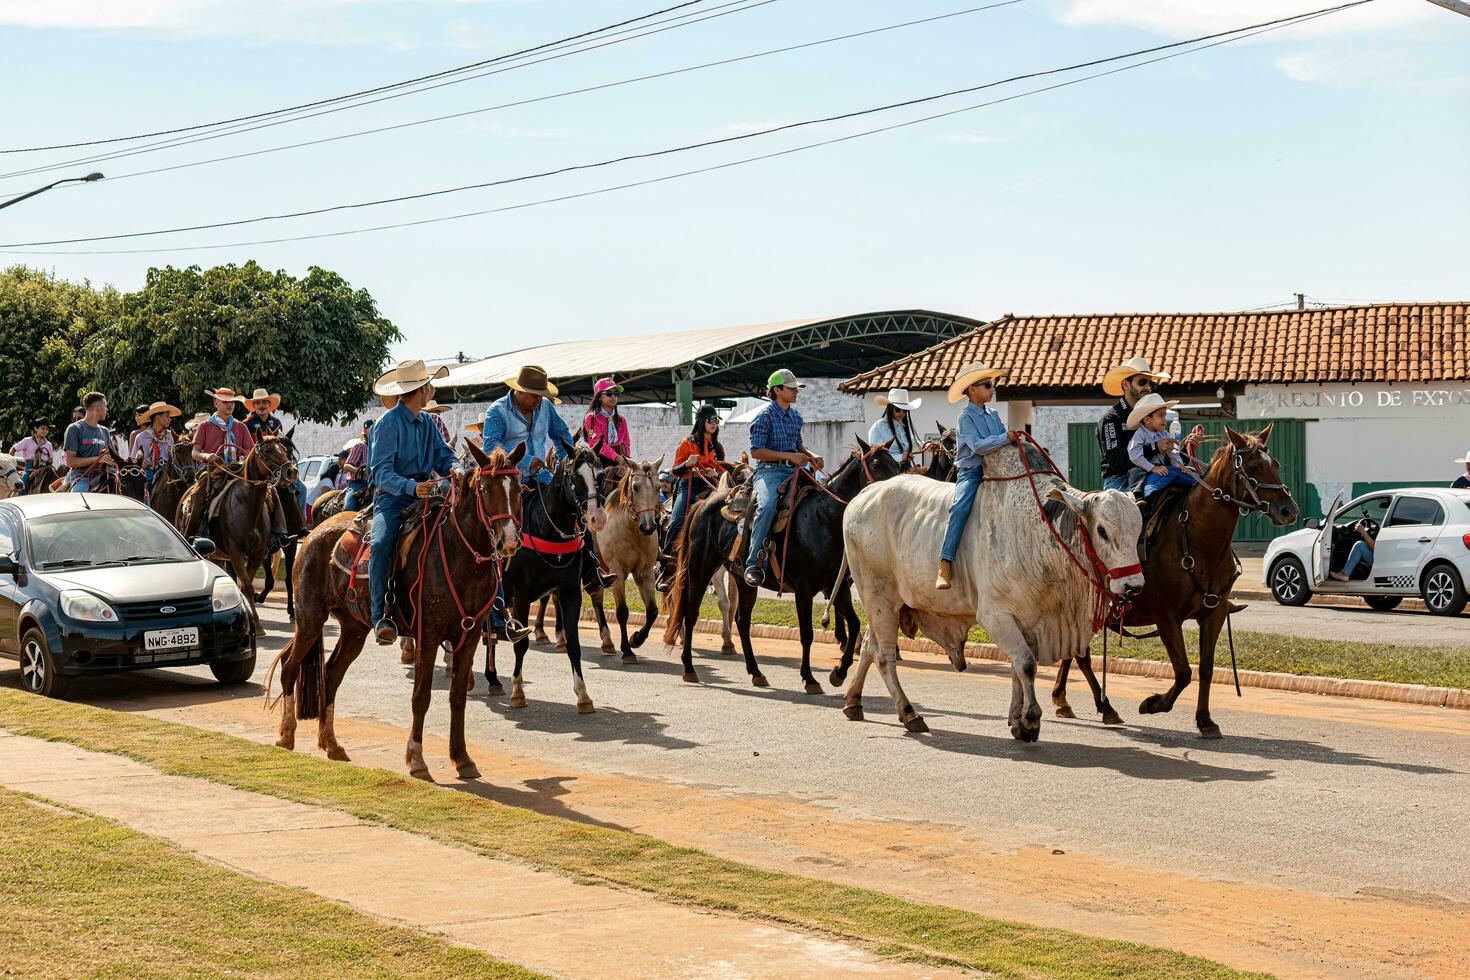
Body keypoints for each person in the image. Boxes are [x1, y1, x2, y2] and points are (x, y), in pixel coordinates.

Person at [483, 364, 614, 592]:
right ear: (520, 392)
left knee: (574, 506)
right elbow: (491, 445)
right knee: (498, 522)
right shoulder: (498, 411)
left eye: (542, 396)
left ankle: (591, 569)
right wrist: (524, 461)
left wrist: (569, 464)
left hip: (543, 476)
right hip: (508, 482)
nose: (539, 400)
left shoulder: (544, 408)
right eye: (535, 396)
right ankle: (493, 580)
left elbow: (561, 433)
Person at [936, 363, 1016, 590]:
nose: (992, 389)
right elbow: (979, 447)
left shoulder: (994, 415)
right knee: (960, 507)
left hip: (998, 469)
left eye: (993, 385)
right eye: (987, 385)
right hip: (972, 471)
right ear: (972, 390)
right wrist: (1006, 438)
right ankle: (945, 561)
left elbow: (1002, 442)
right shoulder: (965, 418)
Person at [744, 368, 824, 587]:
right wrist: (791, 456)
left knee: (823, 497)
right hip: (769, 471)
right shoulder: (764, 416)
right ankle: (753, 563)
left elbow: (797, 444)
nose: (796, 392)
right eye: (791, 389)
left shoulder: (796, 416)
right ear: (777, 390)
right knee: (768, 506)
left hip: (794, 471)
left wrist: (811, 455)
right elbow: (756, 451)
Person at [185, 386, 285, 548]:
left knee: (270, 490)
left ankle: (278, 534)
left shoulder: (240, 427)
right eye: (225, 402)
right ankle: (191, 538)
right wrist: (207, 456)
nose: (229, 405)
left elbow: (251, 452)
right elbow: (195, 453)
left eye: (231, 402)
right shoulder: (205, 426)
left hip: (239, 471)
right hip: (214, 471)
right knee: (198, 495)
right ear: (216, 403)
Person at [660, 405, 724, 584]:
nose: (714, 424)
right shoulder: (686, 443)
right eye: (711, 420)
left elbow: (720, 468)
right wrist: (687, 464)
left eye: (716, 420)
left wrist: (715, 473)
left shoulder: (716, 446)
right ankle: (666, 564)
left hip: (710, 486)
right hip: (688, 485)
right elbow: (675, 470)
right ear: (702, 421)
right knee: (676, 520)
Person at [1097, 357, 1172, 492]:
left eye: (1150, 383)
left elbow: (1166, 457)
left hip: (1152, 473)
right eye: (1142, 382)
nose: (1148, 388)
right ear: (1126, 385)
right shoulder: (1111, 419)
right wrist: (1155, 448)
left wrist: (1186, 448)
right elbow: (1116, 462)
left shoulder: (1153, 416)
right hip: (1120, 481)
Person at [244, 387, 307, 519]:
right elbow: (246, 449)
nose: (262, 405)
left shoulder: (276, 422)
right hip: (257, 468)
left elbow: (281, 446)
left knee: (301, 488)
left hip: (276, 466)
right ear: (254, 406)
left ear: (269, 405)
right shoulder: (247, 424)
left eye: (264, 402)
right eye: (258, 403)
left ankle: (301, 521)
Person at [1127, 393, 1198, 500]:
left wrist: (1180, 466)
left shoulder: (1164, 434)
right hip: (1143, 472)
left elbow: (1173, 452)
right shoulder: (1139, 435)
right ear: (1147, 420)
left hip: (1163, 468)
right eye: (1161, 416)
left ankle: (1195, 485)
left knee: (1183, 473)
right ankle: (1142, 499)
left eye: (1164, 415)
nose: (1165, 419)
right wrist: (1153, 468)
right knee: (1165, 475)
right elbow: (1135, 456)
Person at [63, 392, 113, 492]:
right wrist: (97, 459)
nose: (107, 409)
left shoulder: (105, 431)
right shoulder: (74, 429)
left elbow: (111, 457)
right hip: (83, 479)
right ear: (99, 409)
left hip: (105, 477)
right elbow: (71, 461)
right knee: (81, 505)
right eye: (105, 406)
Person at [867, 388, 922, 470]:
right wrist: (901, 457)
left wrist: (926, 445)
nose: (902, 413)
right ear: (890, 409)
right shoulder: (878, 427)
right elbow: (876, 455)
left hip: (906, 467)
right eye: (898, 409)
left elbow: (912, 444)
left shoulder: (902, 426)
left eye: (905, 410)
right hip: (887, 471)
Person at [583, 377, 631, 468]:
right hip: (599, 461)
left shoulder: (621, 420)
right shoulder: (591, 418)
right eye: (609, 393)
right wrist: (617, 458)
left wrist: (625, 459)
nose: (613, 396)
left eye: (616, 394)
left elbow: (626, 443)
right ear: (599, 397)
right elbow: (597, 443)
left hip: (621, 460)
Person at [133, 401, 181, 487]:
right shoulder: (141, 437)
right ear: (158, 417)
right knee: (144, 489)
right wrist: (140, 462)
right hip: (149, 472)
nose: (170, 419)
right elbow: (133, 459)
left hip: (168, 470)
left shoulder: (170, 435)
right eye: (167, 416)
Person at [341, 419, 374, 510]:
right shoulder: (360, 446)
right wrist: (361, 471)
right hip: (358, 483)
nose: (373, 430)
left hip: (376, 484)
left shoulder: (380, 447)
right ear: (365, 431)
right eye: (370, 428)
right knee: (349, 507)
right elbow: (346, 466)